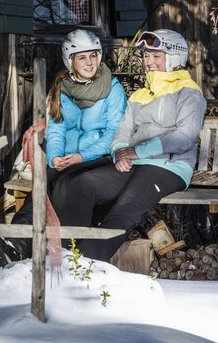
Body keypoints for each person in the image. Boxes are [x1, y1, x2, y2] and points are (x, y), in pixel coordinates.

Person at [0, 29, 127, 270]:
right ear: (70, 61)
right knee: (41, 185)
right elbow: (56, 129)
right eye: (82, 58)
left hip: (99, 157)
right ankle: (17, 242)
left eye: (92, 56)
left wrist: (80, 156)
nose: (89, 63)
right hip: (68, 159)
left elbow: (115, 134)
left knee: (63, 184)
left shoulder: (113, 89)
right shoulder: (62, 88)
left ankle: (56, 250)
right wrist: (55, 156)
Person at [56, 29, 207, 262]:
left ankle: (86, 267)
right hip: (134, 161)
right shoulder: (140, 94)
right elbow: (122, 131)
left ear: (175, 58)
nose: (149, 62)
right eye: (147, 56)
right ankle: (62, 258)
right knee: (82, 185)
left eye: (157, 56)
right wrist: (119, 153)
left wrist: (138, 151)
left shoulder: (189, 93)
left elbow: (184, 136)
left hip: (169, 167)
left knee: (125, 206)